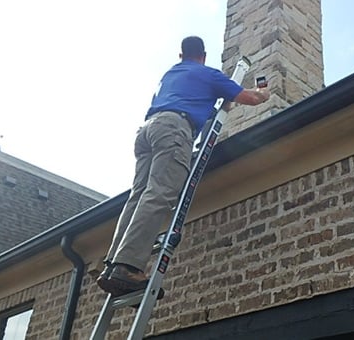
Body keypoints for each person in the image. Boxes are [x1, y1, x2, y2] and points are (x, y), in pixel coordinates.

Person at [97, 36, 270, 297]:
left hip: (147, 131)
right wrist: (263, 92)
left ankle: (112, 264)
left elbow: (195, 100)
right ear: (204, 55)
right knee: (160, 193)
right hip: (174, 130)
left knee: (139, 196)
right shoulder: (208, 74)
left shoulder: (171, 74)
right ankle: (127, 265)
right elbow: (252, 99)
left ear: (181, 55)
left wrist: (218, 105)